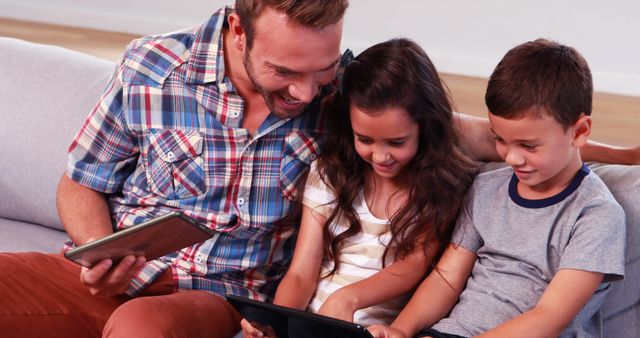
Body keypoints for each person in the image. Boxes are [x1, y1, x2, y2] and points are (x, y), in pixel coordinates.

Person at [0, 0, 633, 336]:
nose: (306, 93)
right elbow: (82, 179)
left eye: (321, 70)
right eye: (285, 72)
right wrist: (96, 248)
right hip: (112, 273)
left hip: (218, 295)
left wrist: (619, 155)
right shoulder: (151, 69)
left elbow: (476, 133)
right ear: (237, 32)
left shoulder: (346, 95)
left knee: (141, 329)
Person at [368, 39, 626, 338]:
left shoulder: (596, 214)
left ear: (579, 132)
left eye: (528, 146)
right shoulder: (487, 187)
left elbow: (549, 317)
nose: (511, 157)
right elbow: (446, 279)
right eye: (500, 140)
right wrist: (401, 329)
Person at [240, 38, 477, 337]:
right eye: (365, 139)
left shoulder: (437, 187)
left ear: (426, 127)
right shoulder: (330, 172)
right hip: (310, 325)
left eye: (397, 142)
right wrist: (277, 323)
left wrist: (348, 297)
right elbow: (302, 272)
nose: (380, 156)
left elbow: (414, 265)